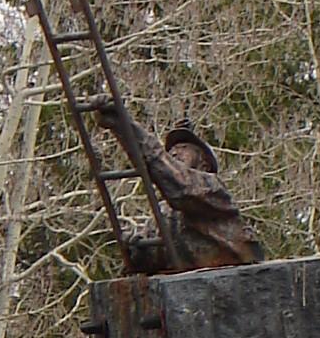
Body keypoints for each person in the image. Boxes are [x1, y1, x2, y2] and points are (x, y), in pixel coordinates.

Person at [89, 102, 265, 273]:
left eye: (183, 148)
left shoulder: (213, 189)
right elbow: (151, 261)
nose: (174, 153)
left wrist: (124, 126)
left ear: (204, 163)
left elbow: (180, 184)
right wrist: (136, 249)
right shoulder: (164, 213)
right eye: (171, 152)